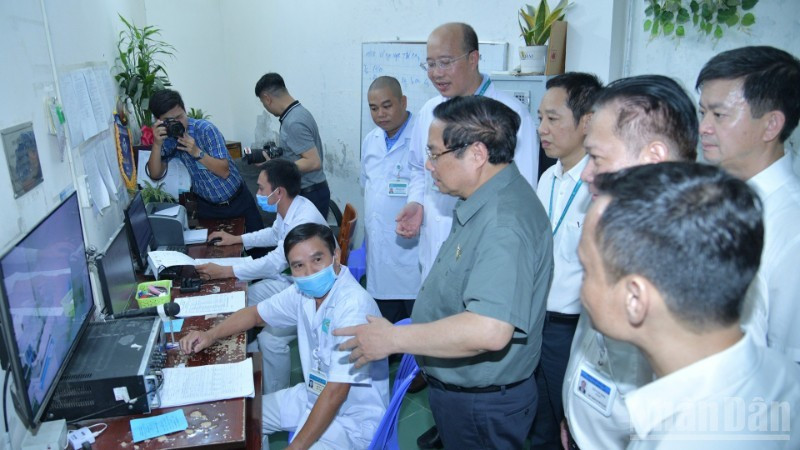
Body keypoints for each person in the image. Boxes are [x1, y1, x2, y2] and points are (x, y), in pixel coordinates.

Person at [335, 96, 553, 449]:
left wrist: (394, 339)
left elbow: (490, 329)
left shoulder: (504, 223)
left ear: (478, 154)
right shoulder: (482, 198)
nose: (428, 165)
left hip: (481, 404)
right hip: (465, 394)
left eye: (436, 154)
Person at [585, 162, 800, 448]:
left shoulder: (680, 439)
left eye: (586, 270)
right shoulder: (783, 375)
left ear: (635, 299)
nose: (582, 288)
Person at [563, 74, 699, 449]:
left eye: (596, 157)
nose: (587, 173)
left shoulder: (699, 260)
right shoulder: (612, 226)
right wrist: (574, 415)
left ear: (652, 157)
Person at [180, 223, 389, 449]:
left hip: (351, 419)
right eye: (298, 266)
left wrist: (296, 447)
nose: (309, 273)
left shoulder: (353, 306)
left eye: (317, 260)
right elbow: (255, 315)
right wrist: (210, 335)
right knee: (244, 418)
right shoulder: (304, 291)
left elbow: (337, 392)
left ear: (336, 256)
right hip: (313, 393)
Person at [396, 22, 539, 282]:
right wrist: (416, 203)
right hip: (433, 251)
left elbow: (522, 193)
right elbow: (418, 166)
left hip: (483, 253)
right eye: (430, 64)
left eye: (445, 62)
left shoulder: (512, 116)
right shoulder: (429, 111)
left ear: (473, 59)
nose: (436, 73)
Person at [695, 46, 800, 363]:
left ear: (771, 125)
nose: (704, 128)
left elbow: (789, 362)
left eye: (719, 114)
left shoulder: (791, 226)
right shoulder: (706, 195)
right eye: (702, 113)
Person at [196, 158, 327, 394]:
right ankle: (250, 354)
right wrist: (237, 239)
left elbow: (274, 262)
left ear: (278, 192)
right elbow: (273, 234)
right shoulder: (289, 207)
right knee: (246, 297)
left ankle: (275, 396)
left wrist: (227, 270)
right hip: (291, 281)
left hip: (311, 291)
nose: (257, 192)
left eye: (260, 188)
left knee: (271, 340)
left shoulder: (302, 219)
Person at [531, 72, 602, 450]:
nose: (542, 129)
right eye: (540, 118)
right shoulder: (547, 179)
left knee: (574, 426)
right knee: (542, 421)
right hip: (538, 321)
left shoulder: (599, 185)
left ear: (587, 121)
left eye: (553, 119)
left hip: (576, 329)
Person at [146, 89, 263, 233]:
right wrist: (157, 144)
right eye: (170, 121)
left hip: (237, 201)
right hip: (207, 207)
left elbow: (224, 171)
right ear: (160, 122)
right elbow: (155, 174)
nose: (178, 123)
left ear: (185, 110)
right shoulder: (168, 139)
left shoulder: (205, 130)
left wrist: (196, 152)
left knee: (258, 249)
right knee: (217, 253)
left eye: (180, 116)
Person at [360, 76, 420, 324]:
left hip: (412, 253)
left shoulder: (421, 137)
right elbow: (368, 186)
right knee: (385, 326)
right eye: (373, 108)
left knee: (416, 329)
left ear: (403, 102)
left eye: (387, 106)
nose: (380, 114)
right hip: (380, 255)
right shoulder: (370, 141)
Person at [254, 73, 330, 217]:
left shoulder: (293, 122)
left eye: (264, 104)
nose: (267, 109)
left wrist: (277, 168)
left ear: (267, 99)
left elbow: (313, 162)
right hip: (312, 191)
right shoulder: (298, 113)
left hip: (310, 194)